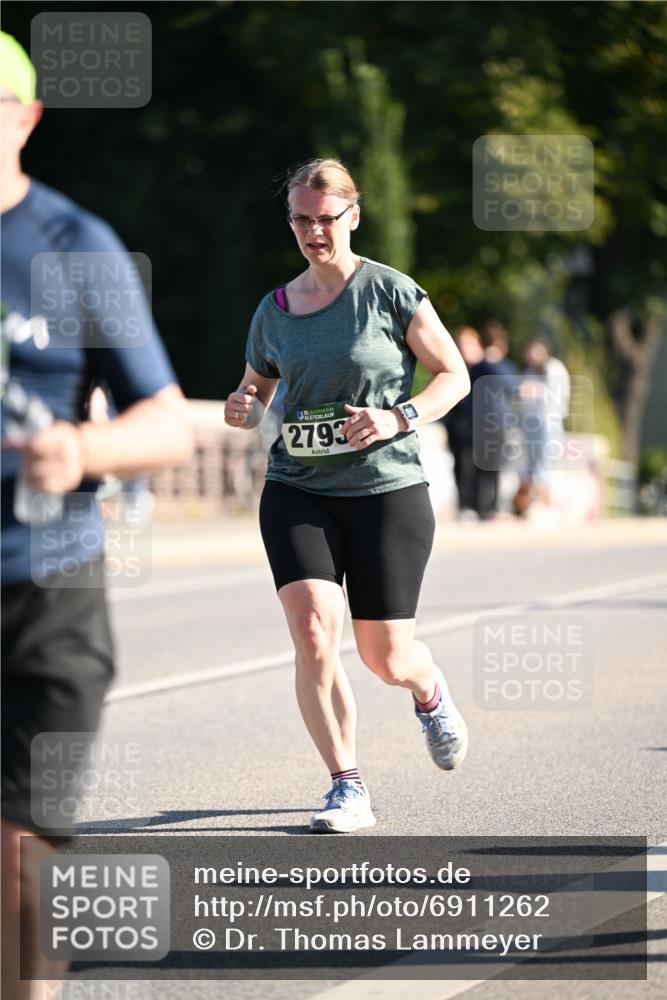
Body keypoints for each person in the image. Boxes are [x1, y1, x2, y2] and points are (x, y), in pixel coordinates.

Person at [0, 33, 193, 999]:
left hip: (49, 583)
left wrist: (79, 451)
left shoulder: (76, 246)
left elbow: (165, 424)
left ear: (26, 118)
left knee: (24, 850)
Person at [225, 158, 470, 834]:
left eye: (324, 218)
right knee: (311, 633)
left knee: (384, 657)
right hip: (297, 487)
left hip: (385, 488)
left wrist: (399, 417)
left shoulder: (390, 293)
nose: (312, 231)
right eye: (300, 219)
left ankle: (427, 690)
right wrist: (245, 404)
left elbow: (453, 375)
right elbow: (257, 386)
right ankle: (345, 785)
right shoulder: (274, 309)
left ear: (351, 217)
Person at [441, 325, 499, 519]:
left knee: (486, 468)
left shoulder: (485, 366)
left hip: (484, 426)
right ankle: (466, 506)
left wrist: (487, 358)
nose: (464, 349)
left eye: (469, 344)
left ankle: (487, 508)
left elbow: (502, 378)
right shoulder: (451, 367)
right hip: (460, 426)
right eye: (461, 344)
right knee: (462, 467)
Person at [514, 336, 571, 513]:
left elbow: (557, 396)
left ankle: (547, 506)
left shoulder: (554, 368)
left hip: (550, 422)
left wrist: (536, 391)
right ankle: (530, 506)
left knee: (546, 465)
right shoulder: (530, 371)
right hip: (532, 424)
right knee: (532, 466)